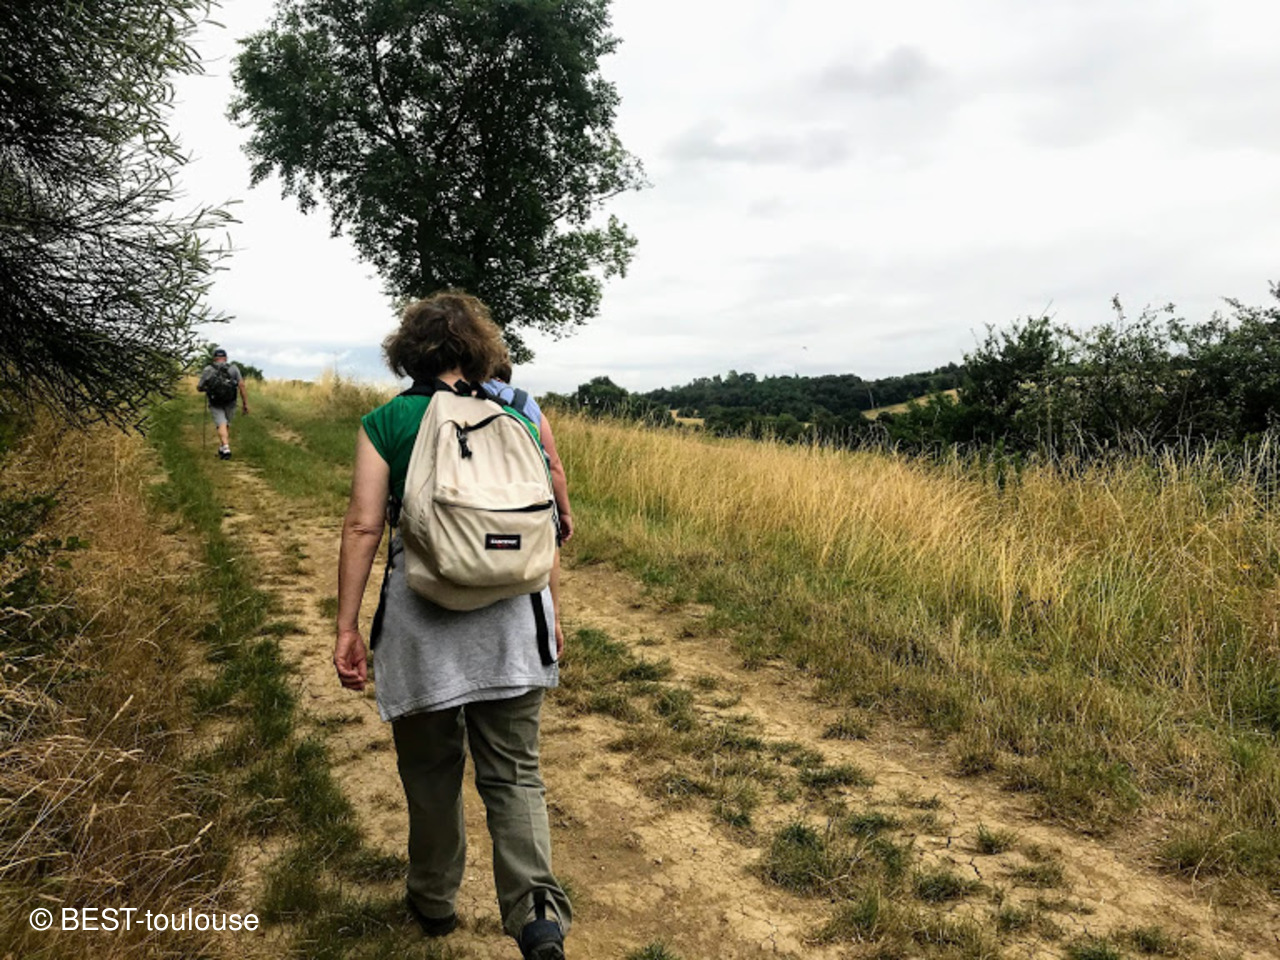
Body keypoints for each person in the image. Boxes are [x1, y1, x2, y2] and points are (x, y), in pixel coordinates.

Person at [333, 291, 570, 960]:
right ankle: (537, 916)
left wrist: (347, 627)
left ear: (408, 354)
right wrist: (552, 617)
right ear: (481, 351)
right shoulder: (517, 418)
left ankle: (434, 900)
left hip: (422, 626)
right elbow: (543, 529)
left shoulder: (387, 422)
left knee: (431, 772)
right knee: (515, 774)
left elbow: (363, 526)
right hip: (515, 624)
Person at [485, 358, 574, 544]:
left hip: (475, 500)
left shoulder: (459, 397)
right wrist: (564, 512)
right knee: (549, 545)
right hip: (523, 500)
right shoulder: (525, 402)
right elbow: (553, 465)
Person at [195, 348, 249, 459]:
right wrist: (245, 404)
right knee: (225, 424)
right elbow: (241, 385)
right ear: (226, 358)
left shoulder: (208, 369)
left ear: (214, 358)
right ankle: (225, 447)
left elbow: (200, 387)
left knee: (221, 424)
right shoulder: (233, 368)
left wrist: (206, 388)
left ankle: (224, 447)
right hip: (231, 401)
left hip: (215, 401)